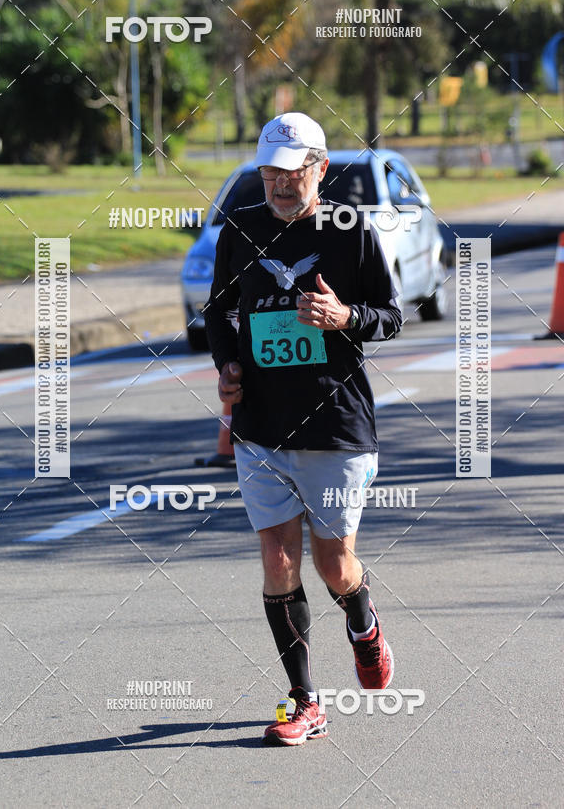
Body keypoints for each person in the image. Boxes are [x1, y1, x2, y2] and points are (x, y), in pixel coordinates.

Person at [204, 112, 402, 746]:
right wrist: (228, 360)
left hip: (335, 425)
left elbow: (391, 316)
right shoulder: (241, 229)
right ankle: (304, 699)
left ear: (319, 168)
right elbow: (217, 313)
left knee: (334, 564)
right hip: (262, 425)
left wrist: (344, 315)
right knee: (276, 557)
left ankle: (363, 618)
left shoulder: (352, 229)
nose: (280, 186)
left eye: (292, 174)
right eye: (270, 174)